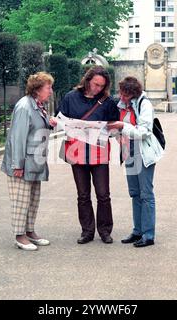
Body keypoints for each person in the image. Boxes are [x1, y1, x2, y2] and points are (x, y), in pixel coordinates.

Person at [57, 66, 119, 245]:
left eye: (101, 86)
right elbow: (60, 120)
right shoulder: (70, 98)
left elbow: (114, 123)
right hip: (76, 152)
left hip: (99, 153)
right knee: (83, 195)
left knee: (103, 194)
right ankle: (87, 231)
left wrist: (113, 131)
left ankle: (105, 231)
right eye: (95, 84)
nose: (97, 88)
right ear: (87, 79)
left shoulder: (107, 101)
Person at [1, 72, 57, 251]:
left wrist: (49, 123)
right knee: (21, 200)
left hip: (35, 162)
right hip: (23, 163)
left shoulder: (38, 106)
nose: (51, 91)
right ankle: (20, 236)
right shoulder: (24, 106)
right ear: (38, 89)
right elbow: (18, 137)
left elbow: (36, 127)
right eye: (48, 87)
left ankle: (30, 231)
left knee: (33, 199)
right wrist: (17, 165)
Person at [107, 77, 163, 248]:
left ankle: (148, 234)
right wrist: (117, 134)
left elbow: (145, 131)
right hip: (129, 152)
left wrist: (122, 127)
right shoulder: (122, 105)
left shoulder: (144, 104)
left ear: (134, 94)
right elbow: (118, 128)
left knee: (146, 193)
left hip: (143, 152)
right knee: (134, 193)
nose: (122, 98)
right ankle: (137, 230)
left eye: (125, 95)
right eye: (121, 94)